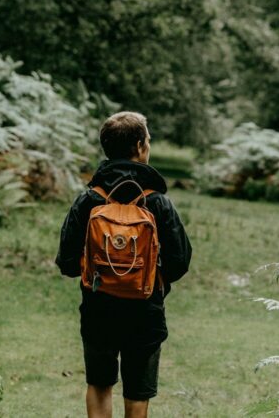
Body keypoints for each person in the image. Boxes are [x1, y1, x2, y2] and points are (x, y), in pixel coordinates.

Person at [56, 111, 192, 418]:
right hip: (145, 309)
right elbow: (180, 262)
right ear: (142, 146)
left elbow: (67, 262)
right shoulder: (157, 202)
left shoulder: (90, 199)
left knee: (100, 384)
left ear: (106, 148)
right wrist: (149, 279)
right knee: (137, 392)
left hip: (98, 306)